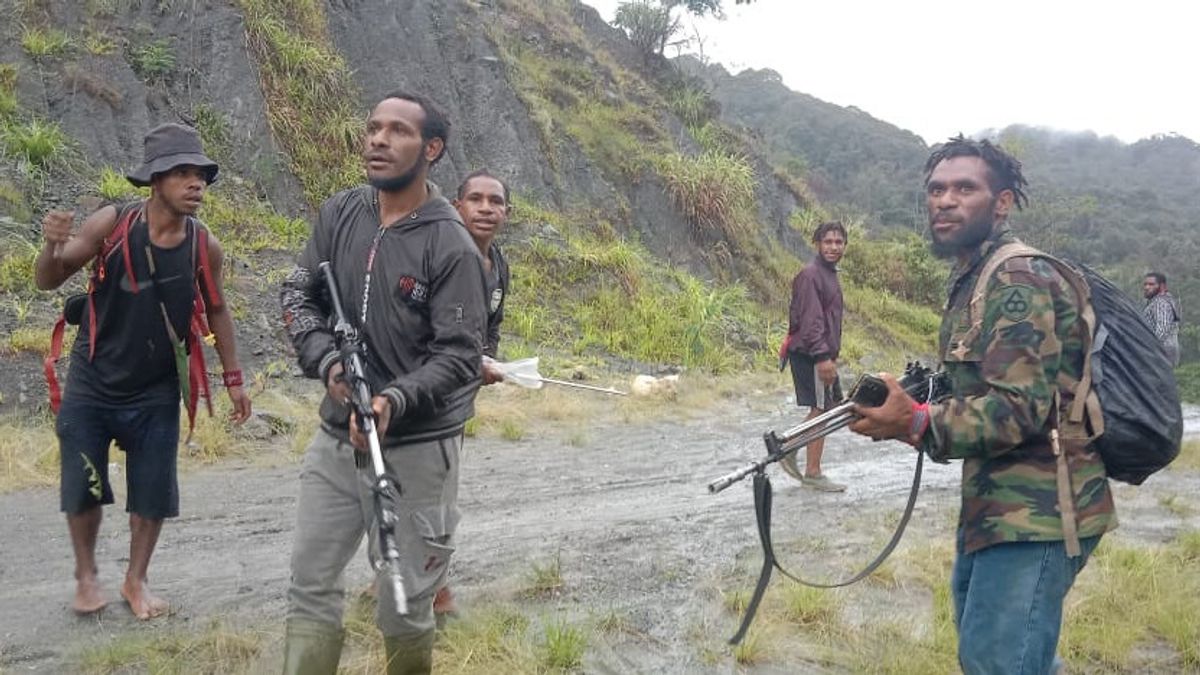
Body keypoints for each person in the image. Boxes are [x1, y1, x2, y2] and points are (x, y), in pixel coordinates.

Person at [849, 135, 1116, 674]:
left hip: (1039, 511)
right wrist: (913, 397)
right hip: (997, 505)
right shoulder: (975, 275)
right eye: (936, 189)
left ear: (1002, 202)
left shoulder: (1016, 278)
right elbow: (980, 385)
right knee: (1004, 654)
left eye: (964, 188)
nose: (945, 200)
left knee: (999, 661)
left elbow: (1017, 409)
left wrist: (916, 421)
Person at [279, 90, 487, 674]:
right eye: (373, 128)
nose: (378, 139)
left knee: (404, 606)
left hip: (417, 450)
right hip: (334, 439)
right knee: (310, 584)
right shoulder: (340, 213)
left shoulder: (452, 245)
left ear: (432, 148)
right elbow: (299, 295)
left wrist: (395, 397)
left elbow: (460, 355)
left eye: (398, 130)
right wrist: (329, 364)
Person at [34, 122, 252, 619]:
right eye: (182, 173)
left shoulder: (204, 244)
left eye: (200, 174)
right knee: (83, 482)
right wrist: (51, 246)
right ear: (155, 180)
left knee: (153, 489)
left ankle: (136, 580)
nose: (195, 183)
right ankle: (87, 576)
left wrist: (233, 378)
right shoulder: (112, 224)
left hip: (156, 387)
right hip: (93, 379)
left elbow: (217, 308)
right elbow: (50, 280)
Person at [424, 169, 512, 624]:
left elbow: (489, 330)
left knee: (428, 493)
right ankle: (434, 589)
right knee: (433, 498)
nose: (484, 208)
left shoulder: (498, 266)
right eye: (474, 199)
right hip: (419, 401)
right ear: (457, 207)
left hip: (456, 405)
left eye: (494, 201)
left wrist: (486, 362)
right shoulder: (437, 256)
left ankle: (390, 578)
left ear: (506, 213)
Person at [779, 221, 848, 492]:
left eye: (838, 242)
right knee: (820, 411)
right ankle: (810, 470)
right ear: (817, 244)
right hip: (811, 354)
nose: (833, 247)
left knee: (827, 409)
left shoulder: (828, 274)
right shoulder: (811, 275)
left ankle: (794, 451)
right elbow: (811, 322)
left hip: (819, 352)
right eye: (828, 241)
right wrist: (822, 357)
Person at [1142, 271, 1181, 366]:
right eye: (1145, 284)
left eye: (1151, 284)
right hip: (1162, 351)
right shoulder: (1160, 301)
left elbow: (1163, 328)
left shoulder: (1161, 302)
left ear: (1162, 286)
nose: (1147, 287)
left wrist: (1149, 347)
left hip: (1160, 351)